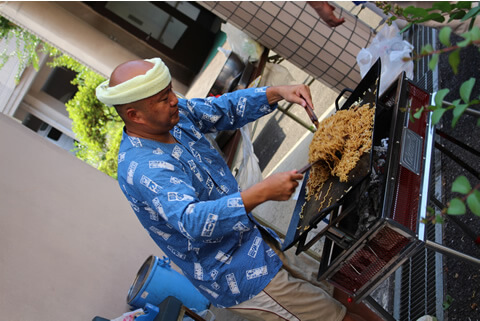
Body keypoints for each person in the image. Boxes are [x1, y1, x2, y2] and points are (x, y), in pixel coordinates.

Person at [96, 57, 375, 321]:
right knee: (334, 316)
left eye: (170, 91)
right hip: (237, 271)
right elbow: (191, 220)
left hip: (255, 237)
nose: (173, 100)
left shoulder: (176, 115)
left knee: (334, 291)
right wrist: (262, 192)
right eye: (162, 99)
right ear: (135, 115)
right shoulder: (143, 168)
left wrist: (278, 92)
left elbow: (221, 110)